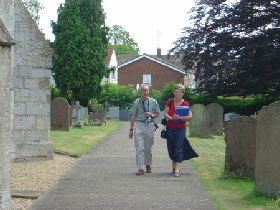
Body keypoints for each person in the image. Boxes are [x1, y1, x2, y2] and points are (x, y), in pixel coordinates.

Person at [163, 84, 195, 177]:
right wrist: (171, 118)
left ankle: (177, 168)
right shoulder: (169, 102)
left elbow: (190, 117)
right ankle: (173, 165)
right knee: (171, 147)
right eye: (176, 92)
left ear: (182, 93)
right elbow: (165, 113)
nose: (177, 94)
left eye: (179, 92)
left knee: (179, 147)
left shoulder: (185, 104)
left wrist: (180, 117)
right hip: (170, 127)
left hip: (180, 128)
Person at [129, 84, 160, 175]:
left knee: (148, 147)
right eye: (143, 90)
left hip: (149, 125)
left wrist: (151, 115)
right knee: (139, 147)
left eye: (146, 90)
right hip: (139, 124)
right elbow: (133, 115)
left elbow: (158, 113)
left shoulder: (153, 102)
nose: (145, 92)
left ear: (149, 91)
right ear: (140, 92)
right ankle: (140, 168)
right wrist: (131, 129)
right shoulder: (137, 102)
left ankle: (148, 164)